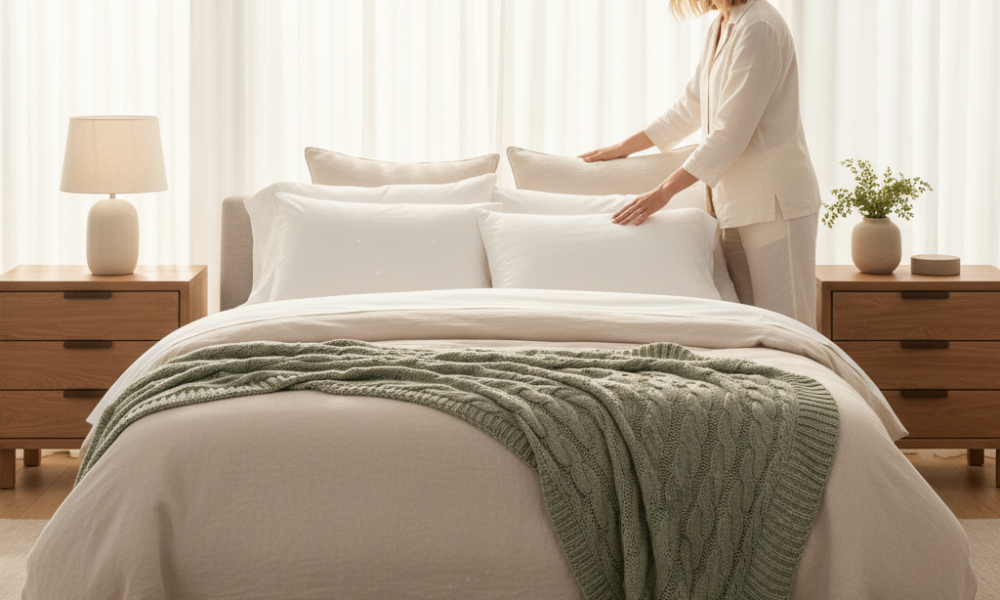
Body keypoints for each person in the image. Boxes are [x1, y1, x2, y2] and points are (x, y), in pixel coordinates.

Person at [579, 0, 821, 328]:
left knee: (788, 328)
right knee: (751, 329)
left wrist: (662, 192)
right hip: (733, 205)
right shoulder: (722, 24)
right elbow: (692, 106)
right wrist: (624, 147)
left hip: (775, 205)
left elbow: (730, 134)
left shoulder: (759, 27)